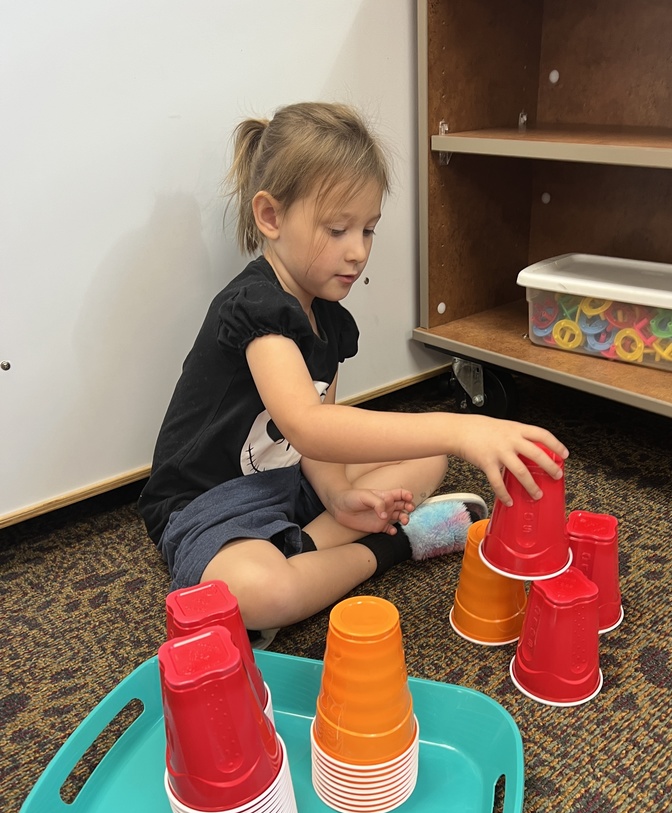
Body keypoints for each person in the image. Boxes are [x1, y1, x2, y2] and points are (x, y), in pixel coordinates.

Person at [138, 101, 568, 642]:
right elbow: (307, 426)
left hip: (286, 482)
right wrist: (462, 427)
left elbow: (321, 435)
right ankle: (392, 545)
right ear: (270, 217)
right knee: (259, 594)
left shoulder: (329, 320)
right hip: (209, 501)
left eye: (368, 229)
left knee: (426, 456)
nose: (358, 251)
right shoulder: (255, 307)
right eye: (338, 229)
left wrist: (338, 491)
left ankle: (305, 549)